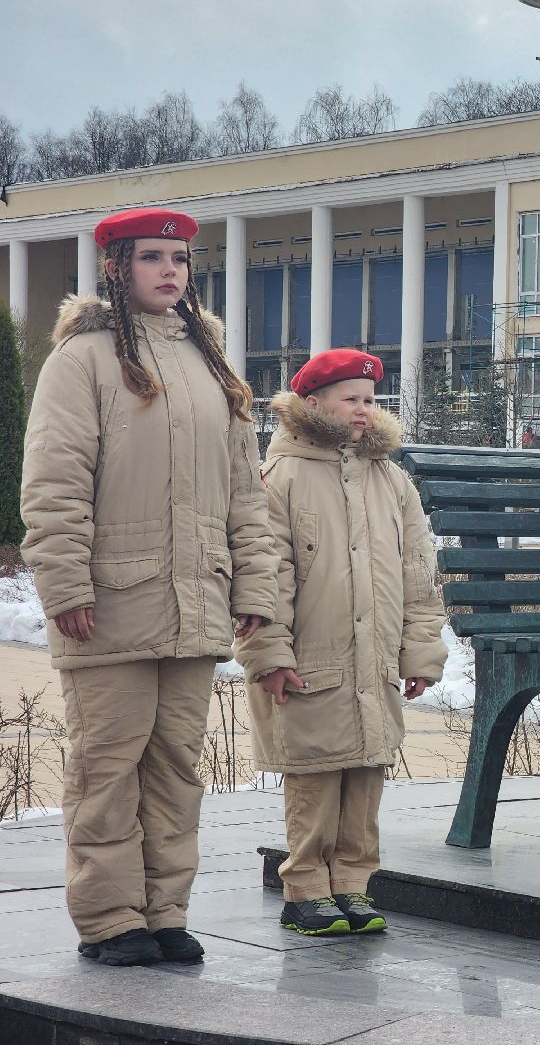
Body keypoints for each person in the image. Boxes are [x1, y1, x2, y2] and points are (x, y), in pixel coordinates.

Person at [20, 208, 278, 967]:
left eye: (180, 259)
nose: (171, 271)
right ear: (116, 268)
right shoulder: (84, 360)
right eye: (152, 258)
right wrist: (65, 584)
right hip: (110, 605)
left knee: (176, 771)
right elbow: (55, 483)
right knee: (108, 767)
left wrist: (254, 584)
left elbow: (244, 493)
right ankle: (109, 920)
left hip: (195, 603)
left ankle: (165, 913)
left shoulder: (212, 365)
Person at [235, 350, 448, 936]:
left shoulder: (390, 480)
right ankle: (305, 886)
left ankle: (354, 884)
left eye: (370, 400)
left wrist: (419, 649)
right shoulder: (282, 477)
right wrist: (269, 655)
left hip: (373, 660)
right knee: (314, 775)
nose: (362, 410)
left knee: (366, 776)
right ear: (311, 404)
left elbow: (417, 573)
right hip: (310, 659)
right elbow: (263, 576)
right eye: (349, 398)